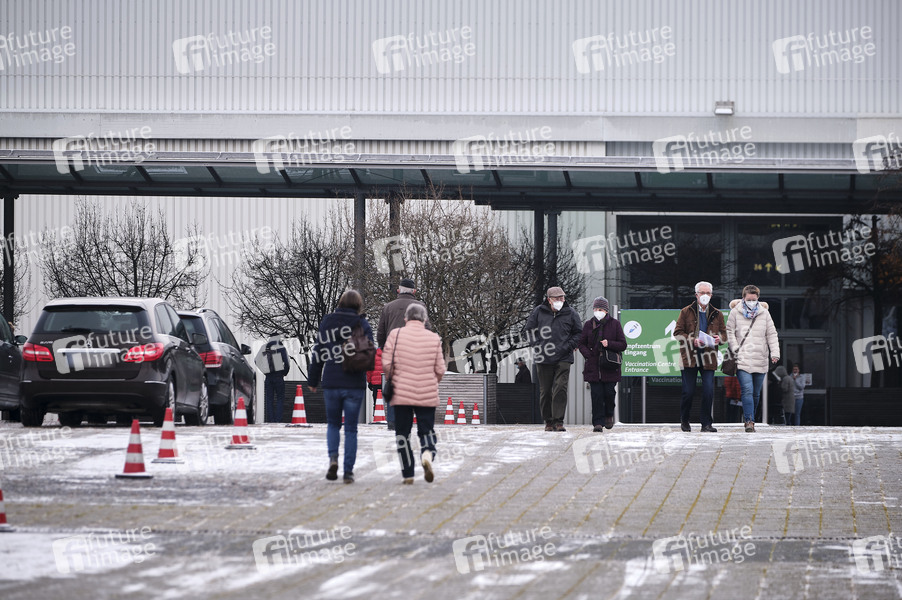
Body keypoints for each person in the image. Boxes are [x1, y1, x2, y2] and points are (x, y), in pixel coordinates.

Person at [308, 290, 374, 484]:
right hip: (354, 382)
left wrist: (313, 380)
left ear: (340, 303)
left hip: (332, 381)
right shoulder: (362, 324)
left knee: (333, 424)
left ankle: (333, 459)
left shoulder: (328, 322)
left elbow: (318, 351)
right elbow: (370, 350)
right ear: (358, 305)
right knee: (351, 429)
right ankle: (348, 472)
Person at [382, 303, 444, 485]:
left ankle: (408, 473)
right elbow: (440, 369)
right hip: (427, 394)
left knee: (402, 434)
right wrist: (430, 382)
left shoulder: (395, 335)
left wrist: (394, 377)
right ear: (425, 319)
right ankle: (427, 453)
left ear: (405, 318)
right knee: (426, 430)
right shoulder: (434, 338)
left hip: (401, 394)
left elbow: (387, 364)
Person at [522, 286, 583, 432]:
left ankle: (558, 421)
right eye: (557, 298)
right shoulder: (538, 312)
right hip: (544, 357)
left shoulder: (571, 313)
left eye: (562, 298)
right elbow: (528, 332)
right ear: (549, 300)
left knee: (560, 388)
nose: (560, 300)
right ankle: (548, 421)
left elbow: (579, 333)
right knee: (545, 391)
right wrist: (538, 346)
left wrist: (569, 346)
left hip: (564, 356)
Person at [377, 278, 430, 430]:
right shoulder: (420, 306)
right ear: (414, 291)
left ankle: (393, 421)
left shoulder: (388, 307)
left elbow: (380, 333)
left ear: (398, 290)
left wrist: (385, 348)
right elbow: (427, 329)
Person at [674, 281, 727, 433]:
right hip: (689, 356)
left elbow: (724, 334)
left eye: (708, 293)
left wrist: (720, 339)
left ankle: (706, 424)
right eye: (702, 293)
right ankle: (685, 419)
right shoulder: (686, 311)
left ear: (712, 295)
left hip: (709, 357)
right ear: (696, 295)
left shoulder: (717, 313)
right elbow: (677, 333)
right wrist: (693, 340)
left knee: (709, 391)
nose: (705, 295)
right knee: (688, 391)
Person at [726, 284, 780, 433]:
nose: (751, 302)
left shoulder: (765, 314)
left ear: (758, 298)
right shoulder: (735, 312)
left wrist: (775, 353)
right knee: (747, 390)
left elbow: (771, 334)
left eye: (754, 299)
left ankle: (751, 418)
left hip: (760, 358)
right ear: (743, 298)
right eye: (749, 299)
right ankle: (749, 421)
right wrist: (735, 348)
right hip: (742, 358)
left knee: (756, 393)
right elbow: (729, 332)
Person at [578, 296, 627, 432]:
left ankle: (608, 415)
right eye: (596, 309)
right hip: (593, 366)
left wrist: (609, 343)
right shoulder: (588, 324)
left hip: (610, 366)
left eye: (600, 309)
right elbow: (581, 343)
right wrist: (588, 355)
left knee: (609, 393)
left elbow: (623, 344)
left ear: (606, 311)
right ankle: (598, 423)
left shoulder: (615, 324)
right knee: (596, 395)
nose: (598, 311)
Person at [259, 335, 290, 423]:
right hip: (279, 376)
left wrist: (264, 371)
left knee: (269, 399)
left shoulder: (265, 347)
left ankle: (271, 420)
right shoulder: (281, 348)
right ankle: (278, 420)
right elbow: (287, 363)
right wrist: (284, 373)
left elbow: (256, 360)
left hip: (268, 377)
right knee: (280, 399)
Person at [366, 347, 384, 412]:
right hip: (386, 383)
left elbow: (369, 370)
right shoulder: (389, 355)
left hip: (376, 384)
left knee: (376, 402)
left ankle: (376, 415)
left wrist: (369, 381)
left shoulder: (373, 356)